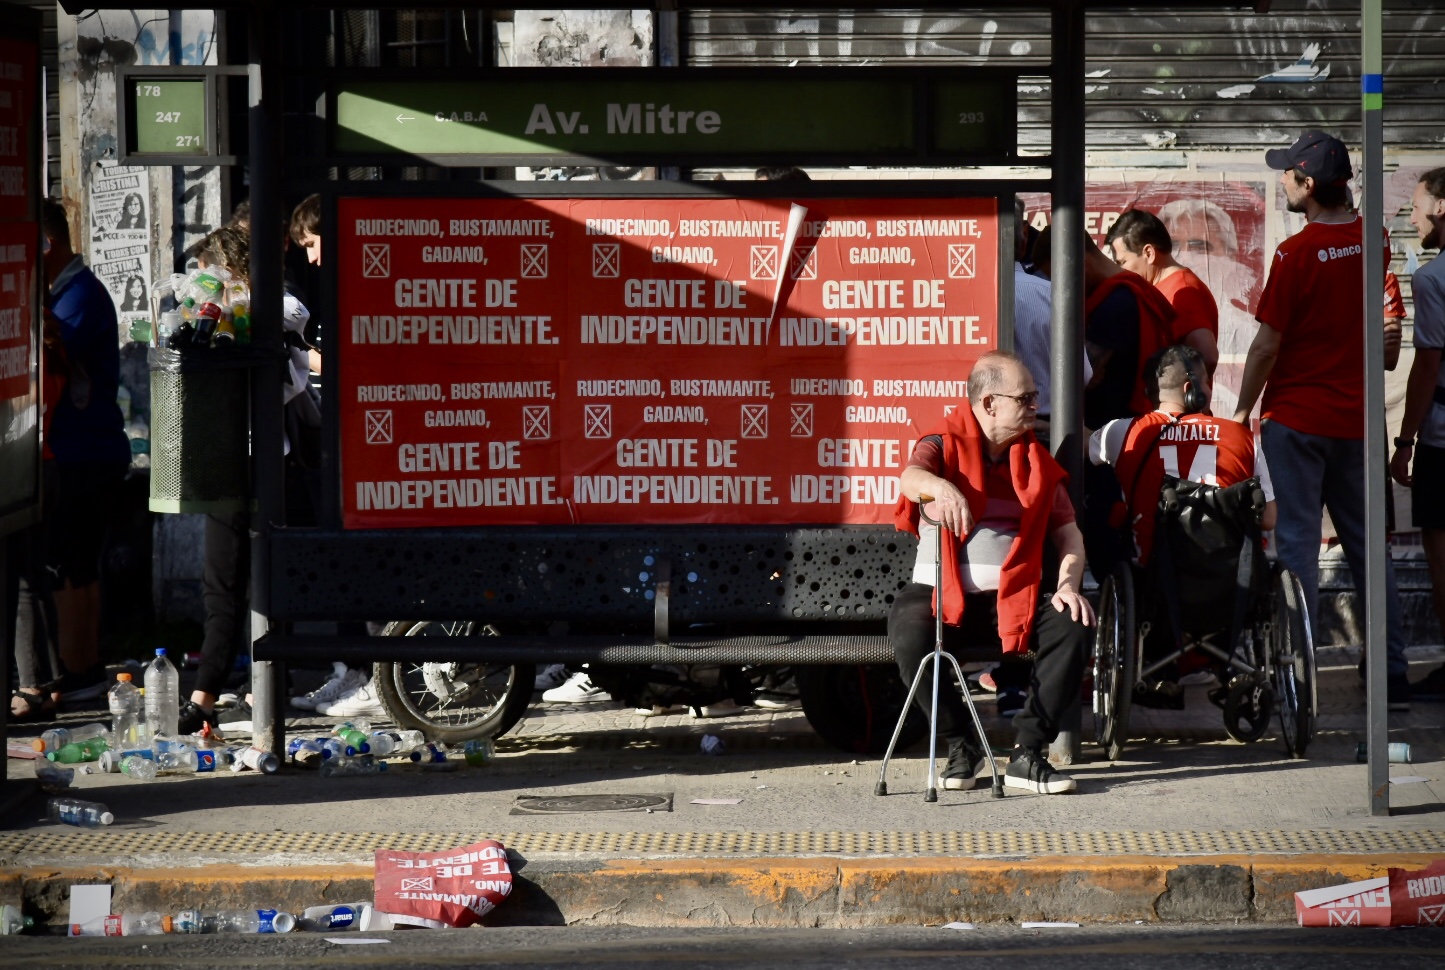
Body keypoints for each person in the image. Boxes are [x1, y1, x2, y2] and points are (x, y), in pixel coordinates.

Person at [1232, 129, 1411, 710]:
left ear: (1308, 186)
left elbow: (1265, 347)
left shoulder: (1294, 255)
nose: (1282, 179)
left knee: (1299, 548)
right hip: (1357, 422)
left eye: (1288, 173)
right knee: (1368, 550)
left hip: (1297, 421)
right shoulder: (1375, 240)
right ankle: (1391, 675)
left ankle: (1299, 680)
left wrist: (1238, 410)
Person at [891, 352, 1093, 794]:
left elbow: (1070, 537)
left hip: (1015, 598)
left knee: (1073, 622)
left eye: (1035, 397)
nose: (1034, 406)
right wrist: (943, 489)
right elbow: (911, 478)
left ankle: (1027, 754)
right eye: (1025, 397)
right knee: (908, 635)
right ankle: (962, 743)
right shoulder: (940, 446)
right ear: (988, 403)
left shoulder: (1037, 463)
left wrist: (1066, 586)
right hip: (938, 596)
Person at [38, 201, 131, 700]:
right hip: (87, 447)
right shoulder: (71, 290)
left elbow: (51, 349)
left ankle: (78, 670)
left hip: (82, 450)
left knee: (68, 567)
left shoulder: (78, 295)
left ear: (47, 244)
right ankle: (85, 665)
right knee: (77, 564)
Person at [1091, 344, 1277, 564]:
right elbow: (1268, 519)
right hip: (1233, 581)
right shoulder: (1242, 437)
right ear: (1192, 390)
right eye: (1207, 382)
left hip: (1153, 576)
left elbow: (1083, 446)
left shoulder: (1123, 432)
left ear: (1148, 393)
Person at [1079, 231, 1178, 583]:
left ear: (1079, 260)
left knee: (1107, 526)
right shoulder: (1133, 293)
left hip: (1116, 435)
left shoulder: (1116, 302)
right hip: (1137, 426)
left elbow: (1085, 375)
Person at [1391, 168, 1445, 697]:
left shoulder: (1433, 279)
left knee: (1441, 552)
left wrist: (1405, 443)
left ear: (1442, 207)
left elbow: (1427, 366)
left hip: (1442, 442)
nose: (1413, 216)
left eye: (1417, 205)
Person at [1106, 208, 1221, 376]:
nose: (1120, 270)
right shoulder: (1162, 288)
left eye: (1122, 262)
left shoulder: (1184, 291)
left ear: (1149, 253)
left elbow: (1207, 357)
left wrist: (1170, 396)